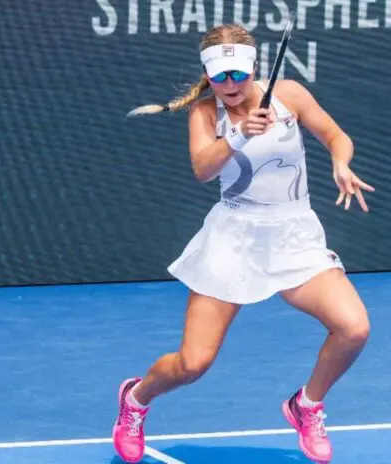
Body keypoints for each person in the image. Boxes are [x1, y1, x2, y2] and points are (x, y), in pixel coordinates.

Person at [114, 24, 374, 464]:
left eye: (237, 74)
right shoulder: (204, 112)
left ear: (253, 68)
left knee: (354, 328)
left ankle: (306, 406)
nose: (230, 85)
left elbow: (335, 135)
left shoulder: (289, 94)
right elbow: (202, 169)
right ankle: (135, 400)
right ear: (207, 74)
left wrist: (340, 163)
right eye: (220, 76)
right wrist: (238, 134)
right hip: (233, 241)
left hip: (293, 237)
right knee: (193, 363)